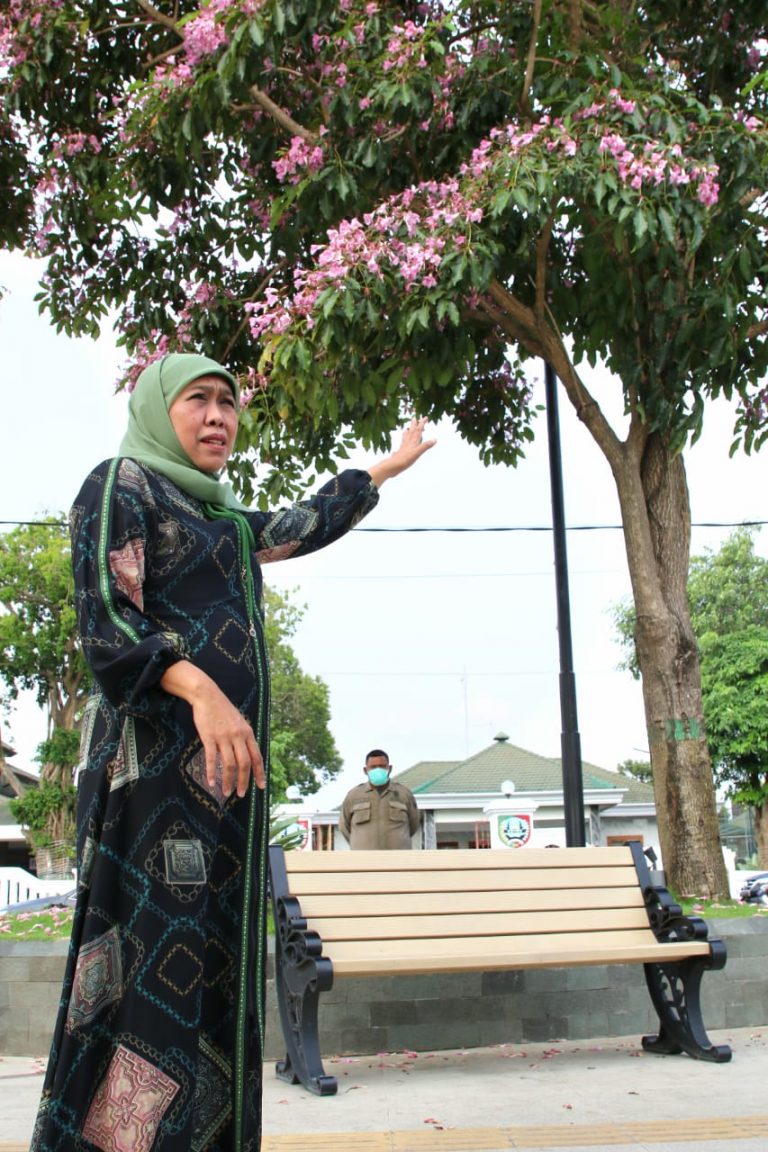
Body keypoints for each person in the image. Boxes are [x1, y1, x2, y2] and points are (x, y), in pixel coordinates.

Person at [31, 352, 434, 1152]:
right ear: (157, 410)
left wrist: (382, 469)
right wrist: (202, 691)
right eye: (199, 401)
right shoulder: (120, 484)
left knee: (214, 974)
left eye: (230, 403)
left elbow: (298, 527)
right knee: (143, 981)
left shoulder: (222, 520)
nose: (219, 417)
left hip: (224, 797)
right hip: (148, 784)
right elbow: (108, 621)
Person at [339, 748, 421, 849]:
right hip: (363, 861)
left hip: (398, 860)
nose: (378, 770)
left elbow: (413, 825)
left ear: (389, 768)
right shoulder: (354, 796)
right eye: (373, 767)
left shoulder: (404, 794)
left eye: (382, 766)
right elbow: (344, 827)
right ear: (365, 770)